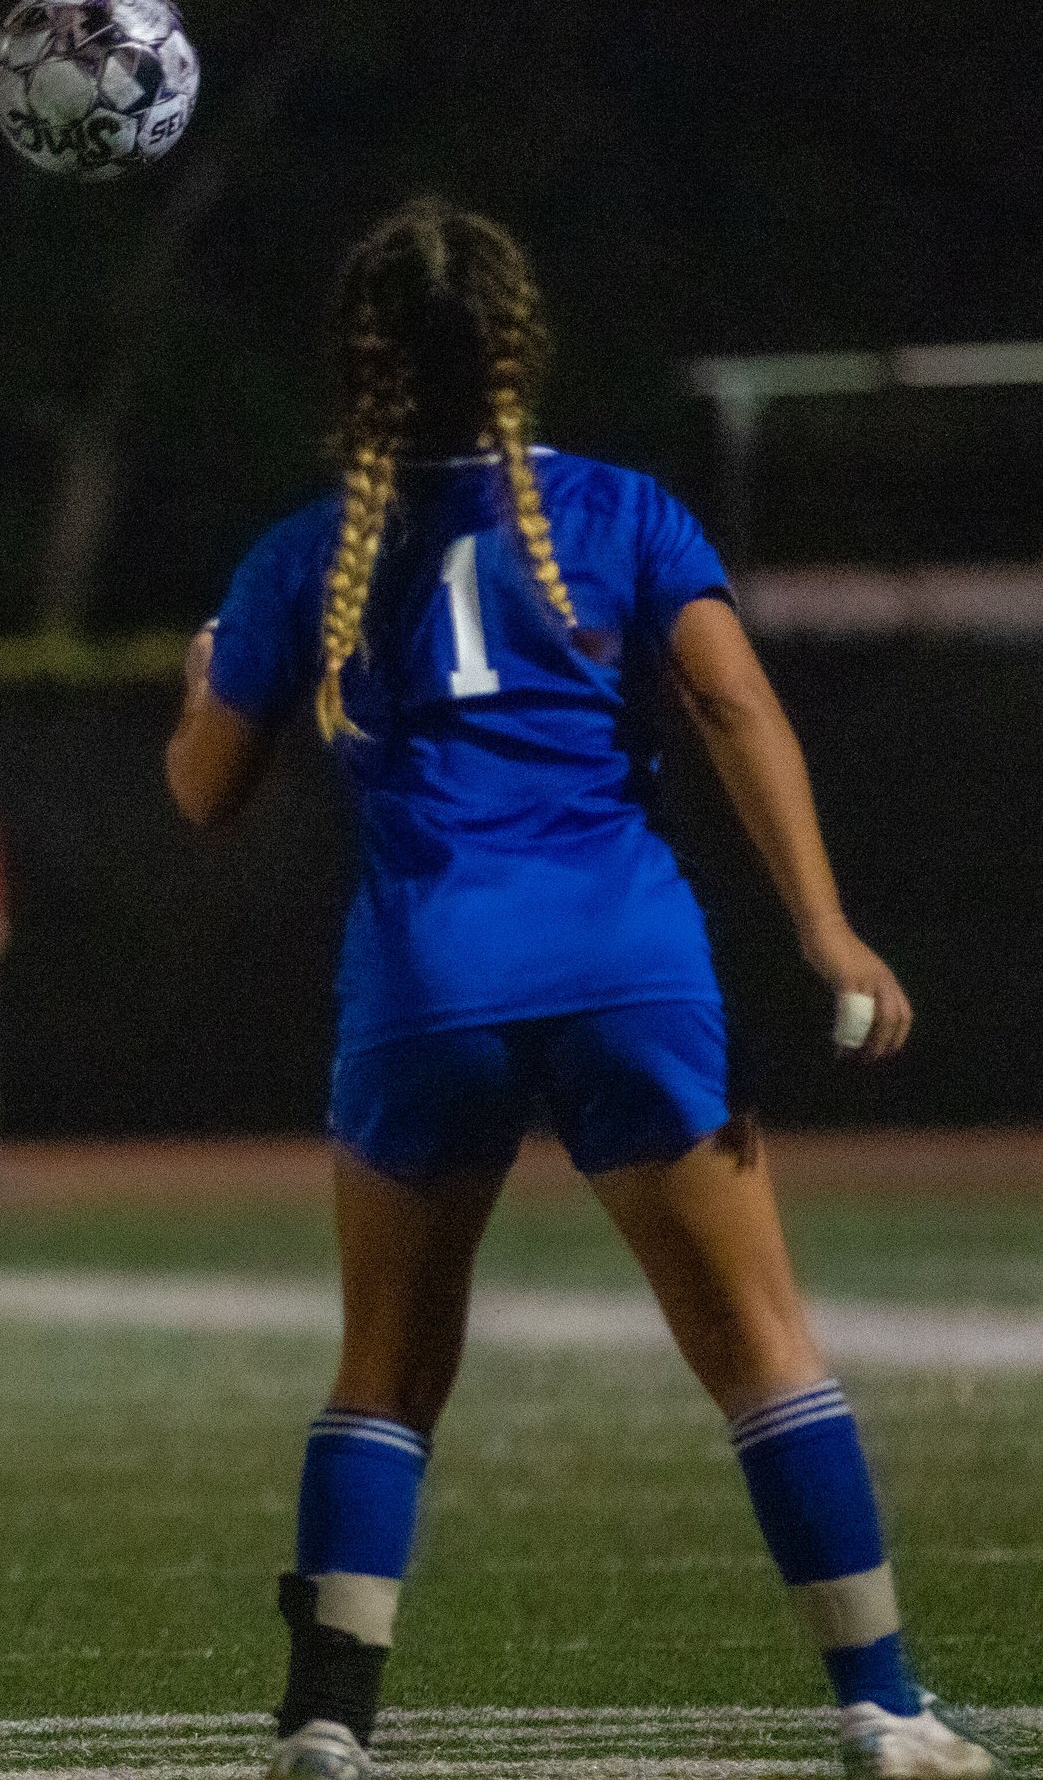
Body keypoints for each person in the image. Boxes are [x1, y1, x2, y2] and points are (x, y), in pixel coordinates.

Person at [164, 198, 993, 1780]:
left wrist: (204, 693)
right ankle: (883, 1706)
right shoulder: (621, 511)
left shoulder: (307, 554)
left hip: (428, 977)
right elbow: (737, 708)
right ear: (523, 349)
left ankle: (330, 1721)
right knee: (761, 1344)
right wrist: (825, 926)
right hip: (627, 962)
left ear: (358, 363)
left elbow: (209, 789)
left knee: (389, 1370)